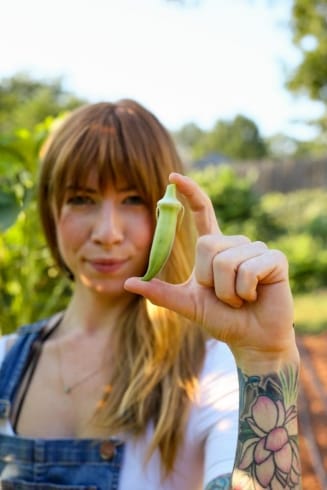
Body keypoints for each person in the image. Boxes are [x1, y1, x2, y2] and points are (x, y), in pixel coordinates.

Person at [0, 99, 301, 489]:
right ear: (51, 211)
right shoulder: (6, 358)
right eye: (81, 198)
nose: (107, 233)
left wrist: (266, 359)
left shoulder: (209, 368)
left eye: (134, 200)